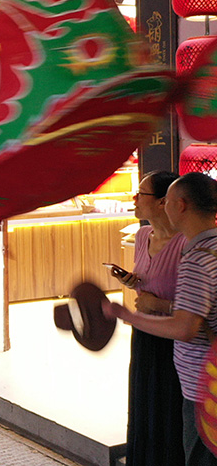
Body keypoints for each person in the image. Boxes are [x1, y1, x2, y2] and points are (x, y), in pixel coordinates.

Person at [105, 172, 217, 466]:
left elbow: (185, 326)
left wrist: (125, 314)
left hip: (203, 381)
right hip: (206, 374)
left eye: (166, 200)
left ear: (179, 205)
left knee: (199, 453)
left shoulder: (196, 256)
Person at [109, 172, 185, 466]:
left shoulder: (187, 244)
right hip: (143, 331)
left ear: (165, 201)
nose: (135, 199)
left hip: (175, 338)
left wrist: (159, 303)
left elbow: (201, 306)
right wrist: (132, 281)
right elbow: (149, 279)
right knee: (143, 401)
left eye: (142, 194)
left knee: (169, 406)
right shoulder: (142, 236)